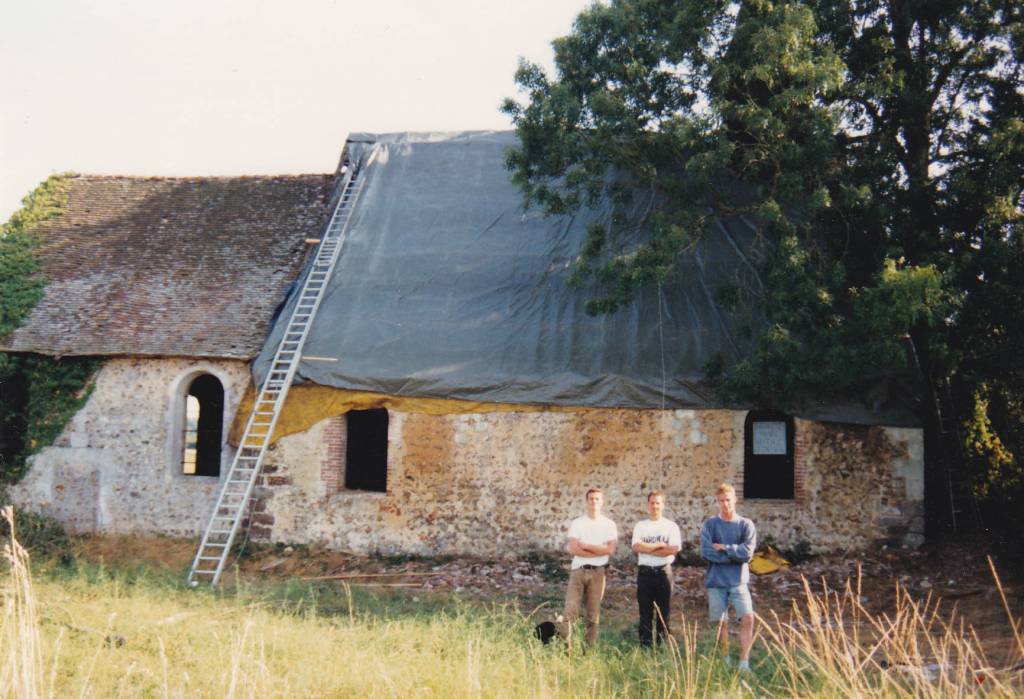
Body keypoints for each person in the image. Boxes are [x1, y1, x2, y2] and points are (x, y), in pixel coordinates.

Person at [700, 483, 757, 671]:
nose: (725, 504)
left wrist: (725, 548)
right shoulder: (710, 524)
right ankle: (725, 660)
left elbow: (747, 554)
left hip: (738, 582)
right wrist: (735, 555)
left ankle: (744, 663)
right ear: (717, 502)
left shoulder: (745, 525)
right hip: (716, 581)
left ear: (735, 500)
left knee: (748, 618)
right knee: (721, 624)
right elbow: (707, 552)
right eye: (721, 501)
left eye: (728, 500)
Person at [558, 487, 618, 647]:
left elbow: (610, 550)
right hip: (578, 571)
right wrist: (598, 550)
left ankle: (588, 649)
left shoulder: (609, 524)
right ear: (586, 501)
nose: (594, 502)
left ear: (602, 502)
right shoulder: (577, 523)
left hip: (599, 573)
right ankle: (566, 648)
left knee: (593, 614)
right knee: (570, 611)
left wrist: (586, 546)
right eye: (591, 499)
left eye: (597, 499)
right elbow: (574, 549)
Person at [631, 490, 681, 647]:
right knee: (645, 613)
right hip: (645, 573)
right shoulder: (640, 526)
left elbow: (673, 549)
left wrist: (648, 548)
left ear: (663, 505)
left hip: (663, 573)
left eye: (658, 503)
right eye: (652, 503)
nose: (655, 506)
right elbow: (636, 547)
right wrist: (659, 545)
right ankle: (645, 648)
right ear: (648, 505)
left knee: (663, 613)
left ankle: (661, 646)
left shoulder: (671, 526)